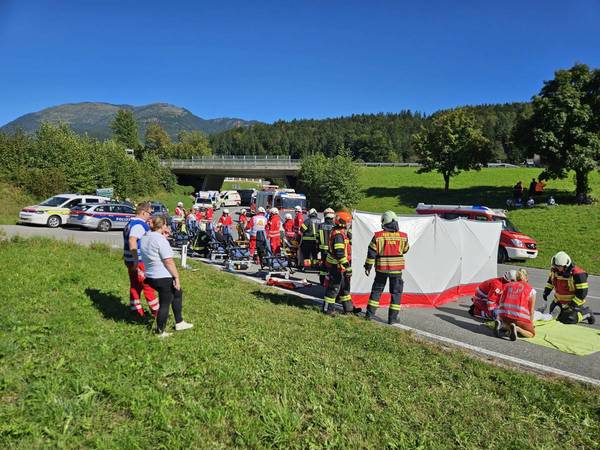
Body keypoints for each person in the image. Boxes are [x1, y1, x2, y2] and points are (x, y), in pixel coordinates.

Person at [140, 216, 193, 337]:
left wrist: (163, 236)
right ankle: (160, 331)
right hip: (162, 276)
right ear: (163, 225)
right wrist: (176, 277)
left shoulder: (144, 237)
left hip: (150, 275)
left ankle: (179, 322)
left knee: (178, 293)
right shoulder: (161, 240)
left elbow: (153, 247)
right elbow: (168, 261)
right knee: (165, 303)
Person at [363, 211, 410, 324]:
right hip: (396, 270)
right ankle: (392, 319)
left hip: (381, 269)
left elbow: (371, 253)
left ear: (384, 221)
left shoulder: (378, 236)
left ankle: (369, 315)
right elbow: (406, 249)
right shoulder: (403, 236)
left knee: (377, 291)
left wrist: (368, 267)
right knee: (396, 293)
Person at [122, 202, 159, 319]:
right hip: (140, 262)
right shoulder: (138, 225)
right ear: (143, 212)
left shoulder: (130, 223)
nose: (150, 216)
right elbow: (132, 240)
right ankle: (157, 312)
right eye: (149, 213)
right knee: (148, 286)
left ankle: (136, 311)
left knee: (135, 285)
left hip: (130, 260)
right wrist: (136, 261)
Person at [543, 251, 594, 324]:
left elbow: (582, 294)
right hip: (558, 301)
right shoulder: (555, 270)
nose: (556, 268)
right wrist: (546, 292)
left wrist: (572, 305)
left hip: (573, 302)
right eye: (555, 266)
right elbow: (551, 281)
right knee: (554, 317)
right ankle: (564, 312)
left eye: (558, 266)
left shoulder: (578, 274)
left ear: (566, 265)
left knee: (570, 319)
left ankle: (587, 313)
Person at [323, 211, 354, 315]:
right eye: (348, 222)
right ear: (342, 222)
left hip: (340, 266)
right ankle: (328, 310)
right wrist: (347, 266)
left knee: (345, 288)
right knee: (334, 288)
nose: (349, 224)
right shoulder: (338, 235)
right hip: (336, 266)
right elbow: (339, 253)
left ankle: (348, 309)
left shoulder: (341, 232)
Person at [496, 269, 536, 340]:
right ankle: (517, 329)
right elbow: (531, 310)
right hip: (519, 317)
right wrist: (531, 324)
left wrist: (499, 316)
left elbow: (500, 301)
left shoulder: (507, 285)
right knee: (531, 333)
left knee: (508, 322)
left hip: (503, 315)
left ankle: (503, 326)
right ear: (526, 278)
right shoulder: (531, 290)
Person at [317, 208, 335, 284]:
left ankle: (322, 281)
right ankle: (331, 281)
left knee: (323, 266)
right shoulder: (335, 226)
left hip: (323, 250)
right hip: (332, 250)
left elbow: (317, 238)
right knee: (332, 266)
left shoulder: (320, 226)